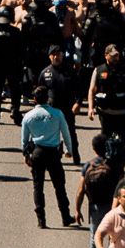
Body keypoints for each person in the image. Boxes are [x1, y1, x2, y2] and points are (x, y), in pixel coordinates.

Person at [19, 95, 75, 230]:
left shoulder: (28, 116)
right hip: (53, 153)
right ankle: (65, 216)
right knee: (59, 185)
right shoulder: (57, 113)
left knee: (38, 186)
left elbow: (24, 139)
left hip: (37, 153)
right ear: (48, 98)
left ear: (35, 99)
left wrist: (26, 154)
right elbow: (66, 132)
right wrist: (69, 149)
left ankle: (41, 220)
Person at [74, 137, 121, 248]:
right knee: (114, 235)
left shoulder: (89, 165)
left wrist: (77, 209)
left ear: (94, 148)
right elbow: (121, 186)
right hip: (113, 204)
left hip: (95, 205)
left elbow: (81, 190)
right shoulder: (114, 164)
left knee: (96, 234)